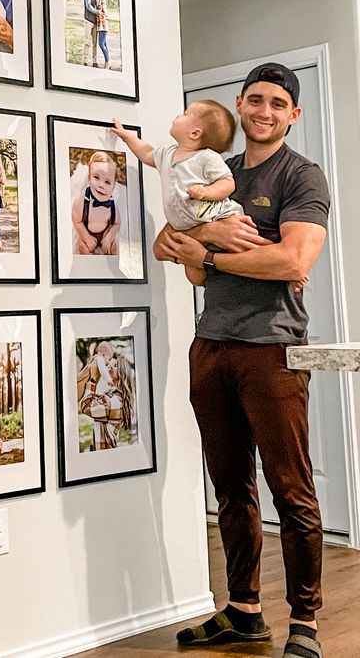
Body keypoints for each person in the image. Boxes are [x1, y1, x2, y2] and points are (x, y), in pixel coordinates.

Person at [153, 63, 329, 658]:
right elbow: (164, 244)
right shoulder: (216, 172)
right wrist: (211, 241)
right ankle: (244, 610)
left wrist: (216, 253)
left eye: (279, 103)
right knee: (229, 487)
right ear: (240, 103)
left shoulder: (301, 177)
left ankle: (304, 623)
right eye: (256, 100)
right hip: (211, 347)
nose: (265, 111)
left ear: (292, 115)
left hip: (272, 350)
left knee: (291, 489)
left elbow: (291, 263)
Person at [111, 100, 243, 285]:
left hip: (219, 217)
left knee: (245, 246)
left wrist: (207, 191)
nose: (178, 116)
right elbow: (147, 153)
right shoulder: (167, 153)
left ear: (195, 133)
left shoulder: (206, 157)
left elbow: (228, 183)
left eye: (185, 114)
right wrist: (128, 138)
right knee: (195, 278)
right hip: (187, 227)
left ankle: (281, 269)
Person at [71, 151, 120, 255]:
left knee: (114, 247)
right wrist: (86, 236)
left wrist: (109, 237)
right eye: (96, 177)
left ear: (113, 186)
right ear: (89, 178)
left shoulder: (112, 205)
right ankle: (92, 269)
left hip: (105, 232)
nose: (101, 185)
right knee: (83, 248)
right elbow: (77, 221)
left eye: (107, 182)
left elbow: (117, 223)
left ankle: (110, 269)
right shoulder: (82, 201)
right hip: (87, 231)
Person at [82, 0, 99, 66]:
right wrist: (97, 12)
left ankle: (95, 62)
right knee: (87, 42)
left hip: (95, 22)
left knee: (95, 43)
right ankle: (85, 61)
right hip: (88, 20)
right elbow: (88, 6)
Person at [95, 0, 111, 70]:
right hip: (100, 23)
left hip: (103, 23)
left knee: (101, 43)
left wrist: (98, 12)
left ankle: (108, 61)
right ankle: (107, 62)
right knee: (104, 43)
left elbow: (104, 11)